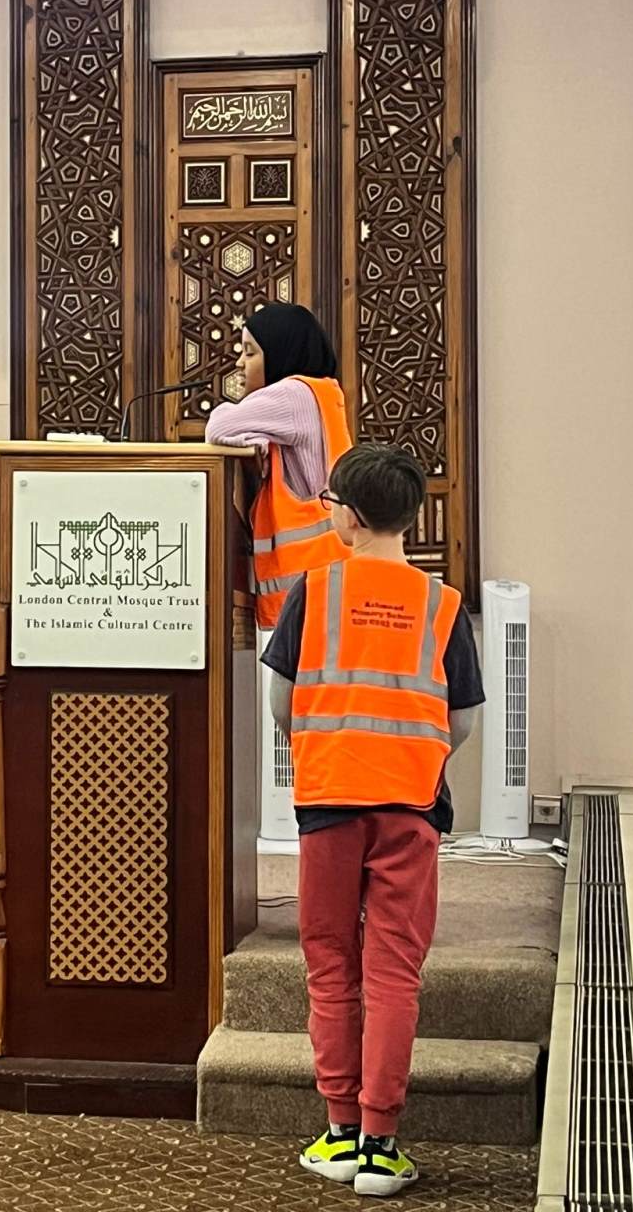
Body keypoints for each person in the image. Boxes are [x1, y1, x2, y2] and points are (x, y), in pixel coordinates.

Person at [263, 444, 484, 1197]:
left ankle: (338, 1134)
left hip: (329, 801)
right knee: (394, 972)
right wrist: (412, 753)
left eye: (329, 504)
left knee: (331, 966)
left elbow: (281, 701)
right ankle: (382, 1147)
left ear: (350, 517)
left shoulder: (315, 589)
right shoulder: (442, 603)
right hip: (411, 804)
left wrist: (329, 740)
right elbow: (463, 719)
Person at [205, 302, 353, 632]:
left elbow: (218, 427)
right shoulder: (322, 393)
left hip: (312, 589)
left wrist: (242, 430)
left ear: (279, 352)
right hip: (325, 585)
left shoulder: (293, 394)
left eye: (250, 352)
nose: (239, 363)